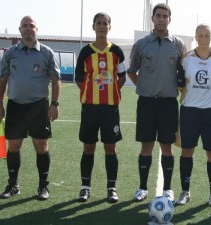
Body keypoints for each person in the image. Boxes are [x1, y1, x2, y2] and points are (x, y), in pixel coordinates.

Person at [0, 16, 61, 200]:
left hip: (39, 107)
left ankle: (43, 187)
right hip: (16, 106)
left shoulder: (46, 53)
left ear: (36, 29)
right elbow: (3, 79)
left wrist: (54, 104)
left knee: (41, 145)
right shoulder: (10, 53)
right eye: (25, 26)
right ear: (20, 29)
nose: (28, 29)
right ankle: (13, 185)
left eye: (32, 26)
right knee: (14, 145)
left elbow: (56, 80)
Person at [127, 3, 186, 202]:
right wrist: (144, 87)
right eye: (158, 15)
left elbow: (183, 73)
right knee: (146, 147)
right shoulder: (142, 44)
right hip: (146, 103)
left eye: (165, 16)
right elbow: (132, 71)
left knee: (167, 147)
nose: (161, 19)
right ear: (152, 18)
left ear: (170, 19)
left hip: (169, 103)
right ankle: (142, 187)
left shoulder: (178, 44)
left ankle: (168, 188)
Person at [75, 12, 126, 203]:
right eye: (99, 23)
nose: (102, 26)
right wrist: (92, 93)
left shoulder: (117, 52)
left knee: (110, 148)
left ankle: (111, 188)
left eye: (105, 23)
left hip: (110, 109)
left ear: (109, 27)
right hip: (90, 108)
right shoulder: (86, 52)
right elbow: (79, 80)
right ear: (93, 27)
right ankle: (85, 187)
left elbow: (122, 78)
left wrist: (110, 92)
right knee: (88, 147)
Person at [176, 24, 211, 206]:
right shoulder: (186, 59)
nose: (204, 38)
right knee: (187, 151)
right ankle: (185, 191)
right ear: (196, 37)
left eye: (207, 35)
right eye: (200, 35)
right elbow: (180, 84)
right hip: (189, 111)